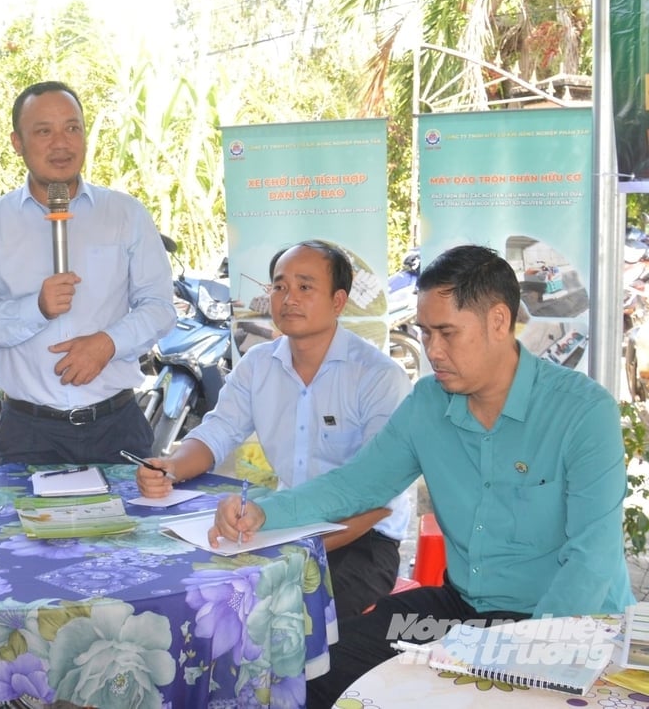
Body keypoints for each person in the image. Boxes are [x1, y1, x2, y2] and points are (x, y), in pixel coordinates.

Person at [208, 244, 633, 708]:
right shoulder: (429, 403)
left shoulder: (583, 412)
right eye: (426, 333)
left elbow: (590, 561)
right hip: (465, 613)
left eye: (446, 333)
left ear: (497, 321)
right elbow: (354, 486)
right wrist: (262, 514)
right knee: (317, 672)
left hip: (570, 625)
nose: (433, 352)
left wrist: (531, 655)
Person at [136, 240, 413, 617]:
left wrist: (288, 544)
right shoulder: (259, 364)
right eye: (279, 287)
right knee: (190, 591)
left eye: (305, 287)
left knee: (278, 614)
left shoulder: (379, 377)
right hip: (280, 520)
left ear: (338, 301)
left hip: (359, 538)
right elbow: (217, 432)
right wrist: (171, 467)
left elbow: (375, 500)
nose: (288, 298)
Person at [0, 80, 175, 464]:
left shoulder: (125, 214)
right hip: (30, 434)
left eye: (72, 128)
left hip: (117, 424)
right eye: (44, 131)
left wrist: (108, 343)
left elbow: (159, 307)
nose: (62, 143)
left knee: (129, 526)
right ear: (17, 143)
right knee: (31, 526)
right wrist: (35, 308)